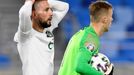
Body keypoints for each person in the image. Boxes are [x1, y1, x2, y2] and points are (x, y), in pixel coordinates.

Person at [14, 0, 69, 75]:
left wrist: (44, 1)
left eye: (51, 9)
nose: (51, 13)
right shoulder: (26, 35)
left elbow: (65, 7)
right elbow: (24, 13)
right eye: (46, 10)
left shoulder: (48, 27)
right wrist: (29, 2)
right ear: (34, 14)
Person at [58, 1, 113, 75]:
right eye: (111, 16)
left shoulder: (81, 34)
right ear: (105, 19)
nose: (112, 19)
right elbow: (80, 66)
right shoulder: (91, 38)